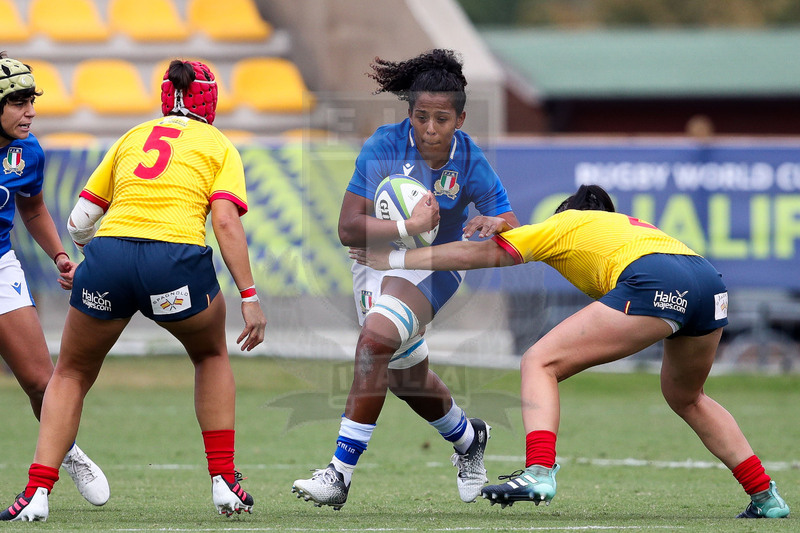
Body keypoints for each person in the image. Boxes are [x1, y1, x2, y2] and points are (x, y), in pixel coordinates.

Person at [351, 184, 790, 519]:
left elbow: (478, 254)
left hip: (654, 280)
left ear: (566, 214)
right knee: (688, 397)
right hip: (709, 284)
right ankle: (766, 497)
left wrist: (392, 261)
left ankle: (539, 472)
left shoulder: (565, 224)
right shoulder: (627, 226)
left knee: (539, 361)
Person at [0, 59, 267, 522]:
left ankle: (37, 491)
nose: (30, 112)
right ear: (210, 101)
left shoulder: (131, 136)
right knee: (209, 356)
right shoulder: (220, 145)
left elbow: (80, 220)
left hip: (109, 263)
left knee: (68, 374)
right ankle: (224, 480)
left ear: (165, 97)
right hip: (173, 269)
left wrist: (82, 258)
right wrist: (249, 296)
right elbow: (224, 220)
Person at [292, 49, 519, 509]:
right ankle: (469, 437)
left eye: (441, 119)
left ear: (460, 119)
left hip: (435, 269)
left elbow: (508, 219)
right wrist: (408, 228)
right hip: (372, 263)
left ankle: (339, 474)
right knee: (404, 379)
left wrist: (497, 223)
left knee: (374, 342)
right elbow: (347, 229)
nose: (430, 129)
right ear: (409, 114)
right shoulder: (383, 145)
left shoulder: (471, 162)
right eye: (421, 117)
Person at [0, 52, 110, 513]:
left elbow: (31, 208)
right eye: (18, 102)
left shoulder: (28, 152)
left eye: (31, 101)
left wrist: (62, 255)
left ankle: (67, 451)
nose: (30, 112)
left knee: (41, 383)